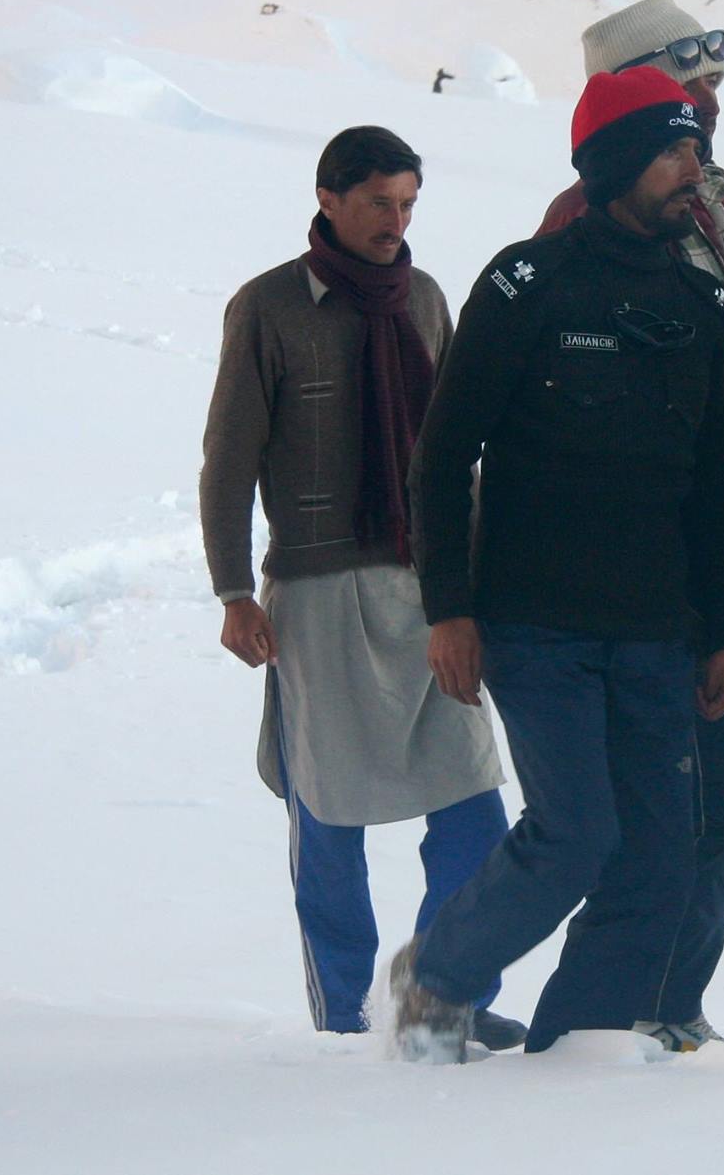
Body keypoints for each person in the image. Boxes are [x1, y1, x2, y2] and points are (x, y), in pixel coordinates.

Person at [387, 67, 724, 1063]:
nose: (694, 169)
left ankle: (579, 1053)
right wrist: (448, 607)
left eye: (697, 149)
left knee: (660, 850)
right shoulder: (526, 282)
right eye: (673, 150)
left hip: (656, 629)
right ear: (612, 162)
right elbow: (441, 453)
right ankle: (438, 981)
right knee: (575, 832)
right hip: (531, 622)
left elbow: (717, 492)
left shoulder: (695, 298)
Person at [532, 0, 724, 1049]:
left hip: (709, 570)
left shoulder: (723, 210)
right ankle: (619, 1019)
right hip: (639, 584)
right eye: (681, 85)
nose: (704, 104)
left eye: (712, 84)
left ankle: (652, 1010)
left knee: (707, 804)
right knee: (677, 811)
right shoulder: (583, 230)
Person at [199, 125, 520, 1049]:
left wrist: (479, 576)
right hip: (316, 592)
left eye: (409, 202)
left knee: (472, 801)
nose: (396, 220)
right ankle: (343, 1024)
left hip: (429, 592)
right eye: (380, 201)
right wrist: (232, 590)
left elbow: (459, 447)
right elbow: (229, 457)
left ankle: (444, 991)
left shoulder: (423, 299)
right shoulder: (266, 307)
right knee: (328, 820)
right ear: (330, 198)